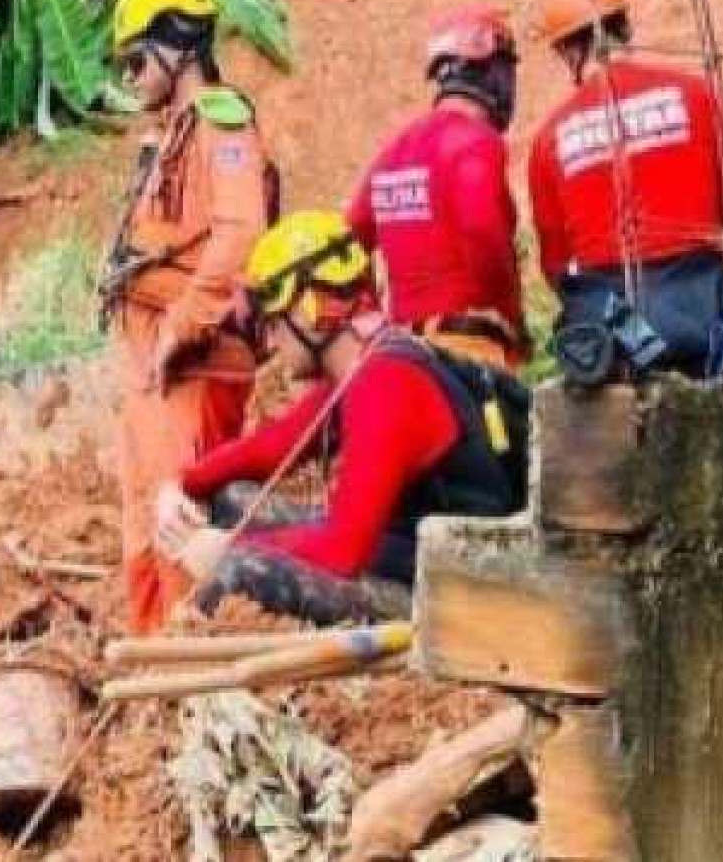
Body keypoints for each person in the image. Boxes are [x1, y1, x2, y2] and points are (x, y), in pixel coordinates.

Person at [154, 210, 528, 625]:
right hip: (421, 558)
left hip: (461, 598)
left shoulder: (385, 385)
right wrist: (180, 485)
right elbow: (274, 447)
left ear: (309, 313)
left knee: (243, 573)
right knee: (231, 500)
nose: (271, 343)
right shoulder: (371, 362)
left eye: (273, 324)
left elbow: (344, 550)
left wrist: (231, 547)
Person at [99, 0, 277, 632]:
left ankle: (188, 679)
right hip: (155, 379)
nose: (130, 75)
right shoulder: (171, 135)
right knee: (144, 537)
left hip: (193, 371)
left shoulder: (220, 123)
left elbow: (240, 238)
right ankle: (155, 677)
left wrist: (179, 327)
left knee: (180, 534)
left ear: (176, 44)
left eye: (137, 57)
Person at [528, 0, 723, 385]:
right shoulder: (694, 94)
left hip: (618, 323)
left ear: (566, 50)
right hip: (704, 310)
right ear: (626, 27)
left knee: (593, 321)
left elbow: (557, 267)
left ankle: (643, 353)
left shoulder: (551, 136)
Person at [342, 7, 529, 368]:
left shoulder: (395, 149)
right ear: (492, 72)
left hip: (403, 351)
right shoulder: (475, 141)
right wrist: (513, 317)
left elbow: (349, 241)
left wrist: (373, 315)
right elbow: (484, 233)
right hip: (467, 347)